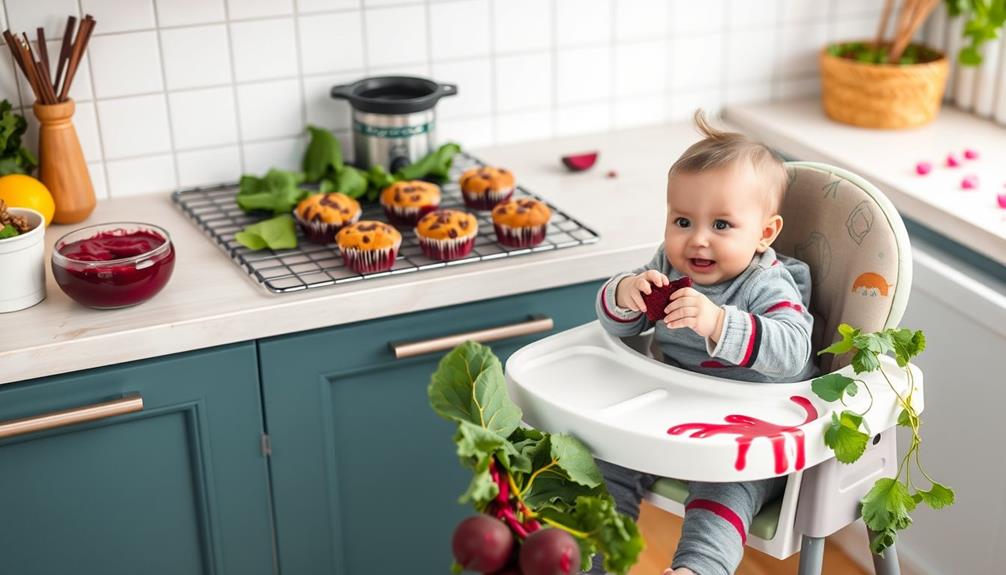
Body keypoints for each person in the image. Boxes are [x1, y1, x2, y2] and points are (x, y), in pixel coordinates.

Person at [589, 110, 817, 575]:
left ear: (764, 234)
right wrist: (624, 294)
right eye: (682, 220)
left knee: (721, 497)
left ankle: (697, 569)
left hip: (747, 440)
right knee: (603, 468)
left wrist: (719, 323)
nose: (697, 241)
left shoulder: (766, 285)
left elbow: (794, 350)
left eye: (721, 226)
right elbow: (620, 329)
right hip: (670, 420)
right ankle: (597, 560)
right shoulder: (668, 268)